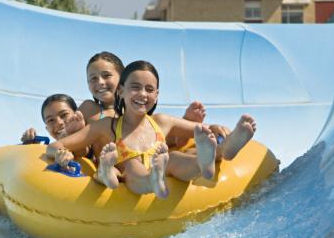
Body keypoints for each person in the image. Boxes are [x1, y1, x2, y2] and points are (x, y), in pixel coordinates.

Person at [47, 60, 257, 199]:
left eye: (149, 89)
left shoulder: (162, 121)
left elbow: (202, 130)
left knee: (175, 158)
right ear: (121, 91)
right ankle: (154, 179)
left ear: (156, 96)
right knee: (133, 166)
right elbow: (56, 145)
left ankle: (220, 153)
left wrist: (214, 128)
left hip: (163, 165)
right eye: (135, 87)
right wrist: (60, 153)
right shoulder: (106, 126)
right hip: (134, 175)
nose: (142, 94)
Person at [78, 51, 226, 146]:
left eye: (106, 76)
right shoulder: (89, 108)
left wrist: (212, 128)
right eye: (93, 78)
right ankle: (183, 131)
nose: (100, 82)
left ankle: (183, 130)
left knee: (160, 134)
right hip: (110, 166)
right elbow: (70, 136)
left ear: (124, 79)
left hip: (142, 155)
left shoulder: (135, 107)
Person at [21, 93, 87, 144]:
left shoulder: (91, 143)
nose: (59, 123)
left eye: (64, 115)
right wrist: (32, 146)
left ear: (77, 114)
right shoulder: (51, 151)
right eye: (51, 120)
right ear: (47, 129)